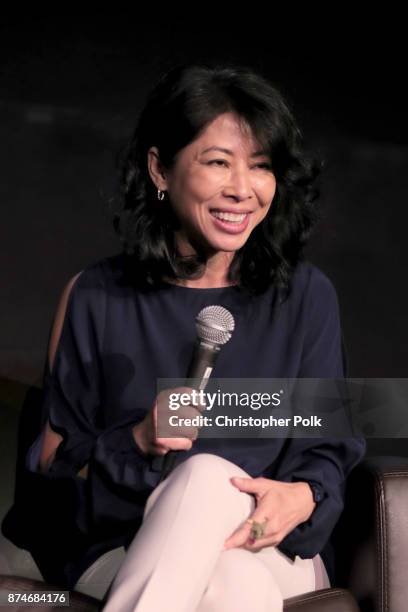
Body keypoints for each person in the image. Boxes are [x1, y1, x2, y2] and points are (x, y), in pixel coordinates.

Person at [3, 62, 366, 611]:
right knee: (230, 586)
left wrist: (305, 495)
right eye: (218, 162)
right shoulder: (97, 296)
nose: (242, 190)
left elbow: (326, 449)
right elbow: (52, 469)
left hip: (271, 544)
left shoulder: (305, 297)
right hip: (125, 546)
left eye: (261, 167)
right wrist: (139, 440)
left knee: (207, 489)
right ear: (160, 169)